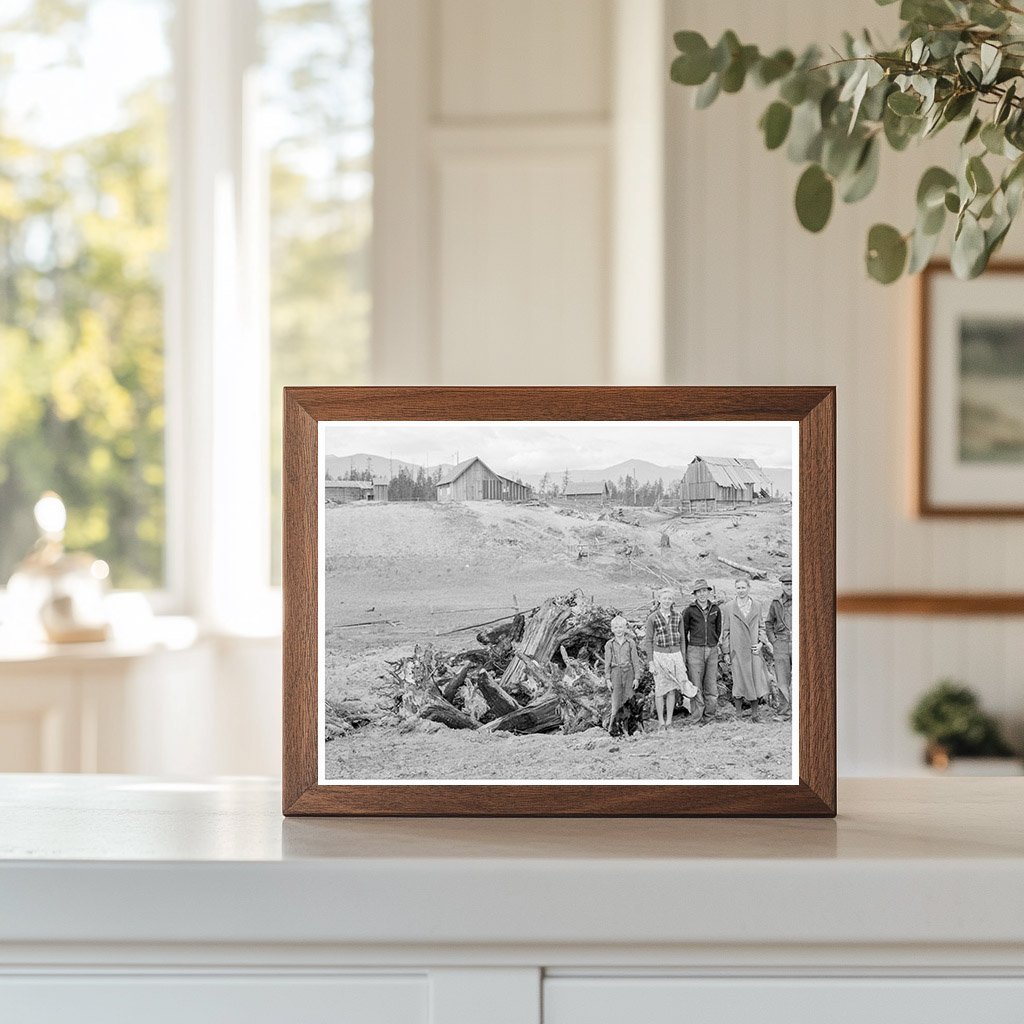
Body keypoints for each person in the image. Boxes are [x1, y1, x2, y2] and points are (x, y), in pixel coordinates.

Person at [643, 587, 698, 733]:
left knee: (672, 689)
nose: (667, 601)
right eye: (664, 598)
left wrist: (682, 659)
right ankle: (661, 722)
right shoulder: (652, 618)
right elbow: (648, 641)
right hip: (659, 656)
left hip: (675, 655)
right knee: (660, 690)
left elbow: (682, 641)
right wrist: (651, 662)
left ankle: (669, 722)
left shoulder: (678, 616)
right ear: (659, 600)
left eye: (669, 599)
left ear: (673, 601)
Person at [721, 578, 772, 723]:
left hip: (753, 650)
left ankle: (755, 715)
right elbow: (725, 631)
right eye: (738, 588)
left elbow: (762, 626)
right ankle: (738, 715)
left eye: (743, 587)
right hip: (737, 650)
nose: (741, 590)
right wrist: (726, 652)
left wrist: (761, 643)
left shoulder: (756, 605)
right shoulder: (729, 607)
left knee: (755, 680)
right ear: (735, 589)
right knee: (739, 682)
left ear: (749, 588)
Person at [683, 579, 723, 726]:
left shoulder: (715, 609)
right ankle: (697, 717)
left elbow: (718, 629)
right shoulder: (689, 610)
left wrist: (713, 643)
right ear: (695, 594)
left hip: (712, 650)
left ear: (708, 592)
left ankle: (710, 716)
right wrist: (689, 649)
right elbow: (684, 631)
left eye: (704, 591)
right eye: (699, 591)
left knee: (711, 684)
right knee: (696, 685)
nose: (702, 594)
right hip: (695, 650)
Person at [604, 615, 641, 736]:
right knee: (616, 701)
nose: (618, 629)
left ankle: (632, 728)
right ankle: (612, 728)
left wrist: (637, 677)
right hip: (615, 673)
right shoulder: (609, 644)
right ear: (612, 629)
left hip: (629, 672)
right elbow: (607, 663)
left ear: (625, 628)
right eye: (616, 627)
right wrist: (608, 679)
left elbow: (635, 661)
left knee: (629, 700)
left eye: (621, 627)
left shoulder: (630, 643)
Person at [765, 573, 793, 718]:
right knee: (782, 679)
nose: (789, 587)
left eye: (792, 584)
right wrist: (773, 641)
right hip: (781, 643)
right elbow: (768, 623)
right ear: (782, 586)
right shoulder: (776, 602)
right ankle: (784, 711)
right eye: (786, 584)